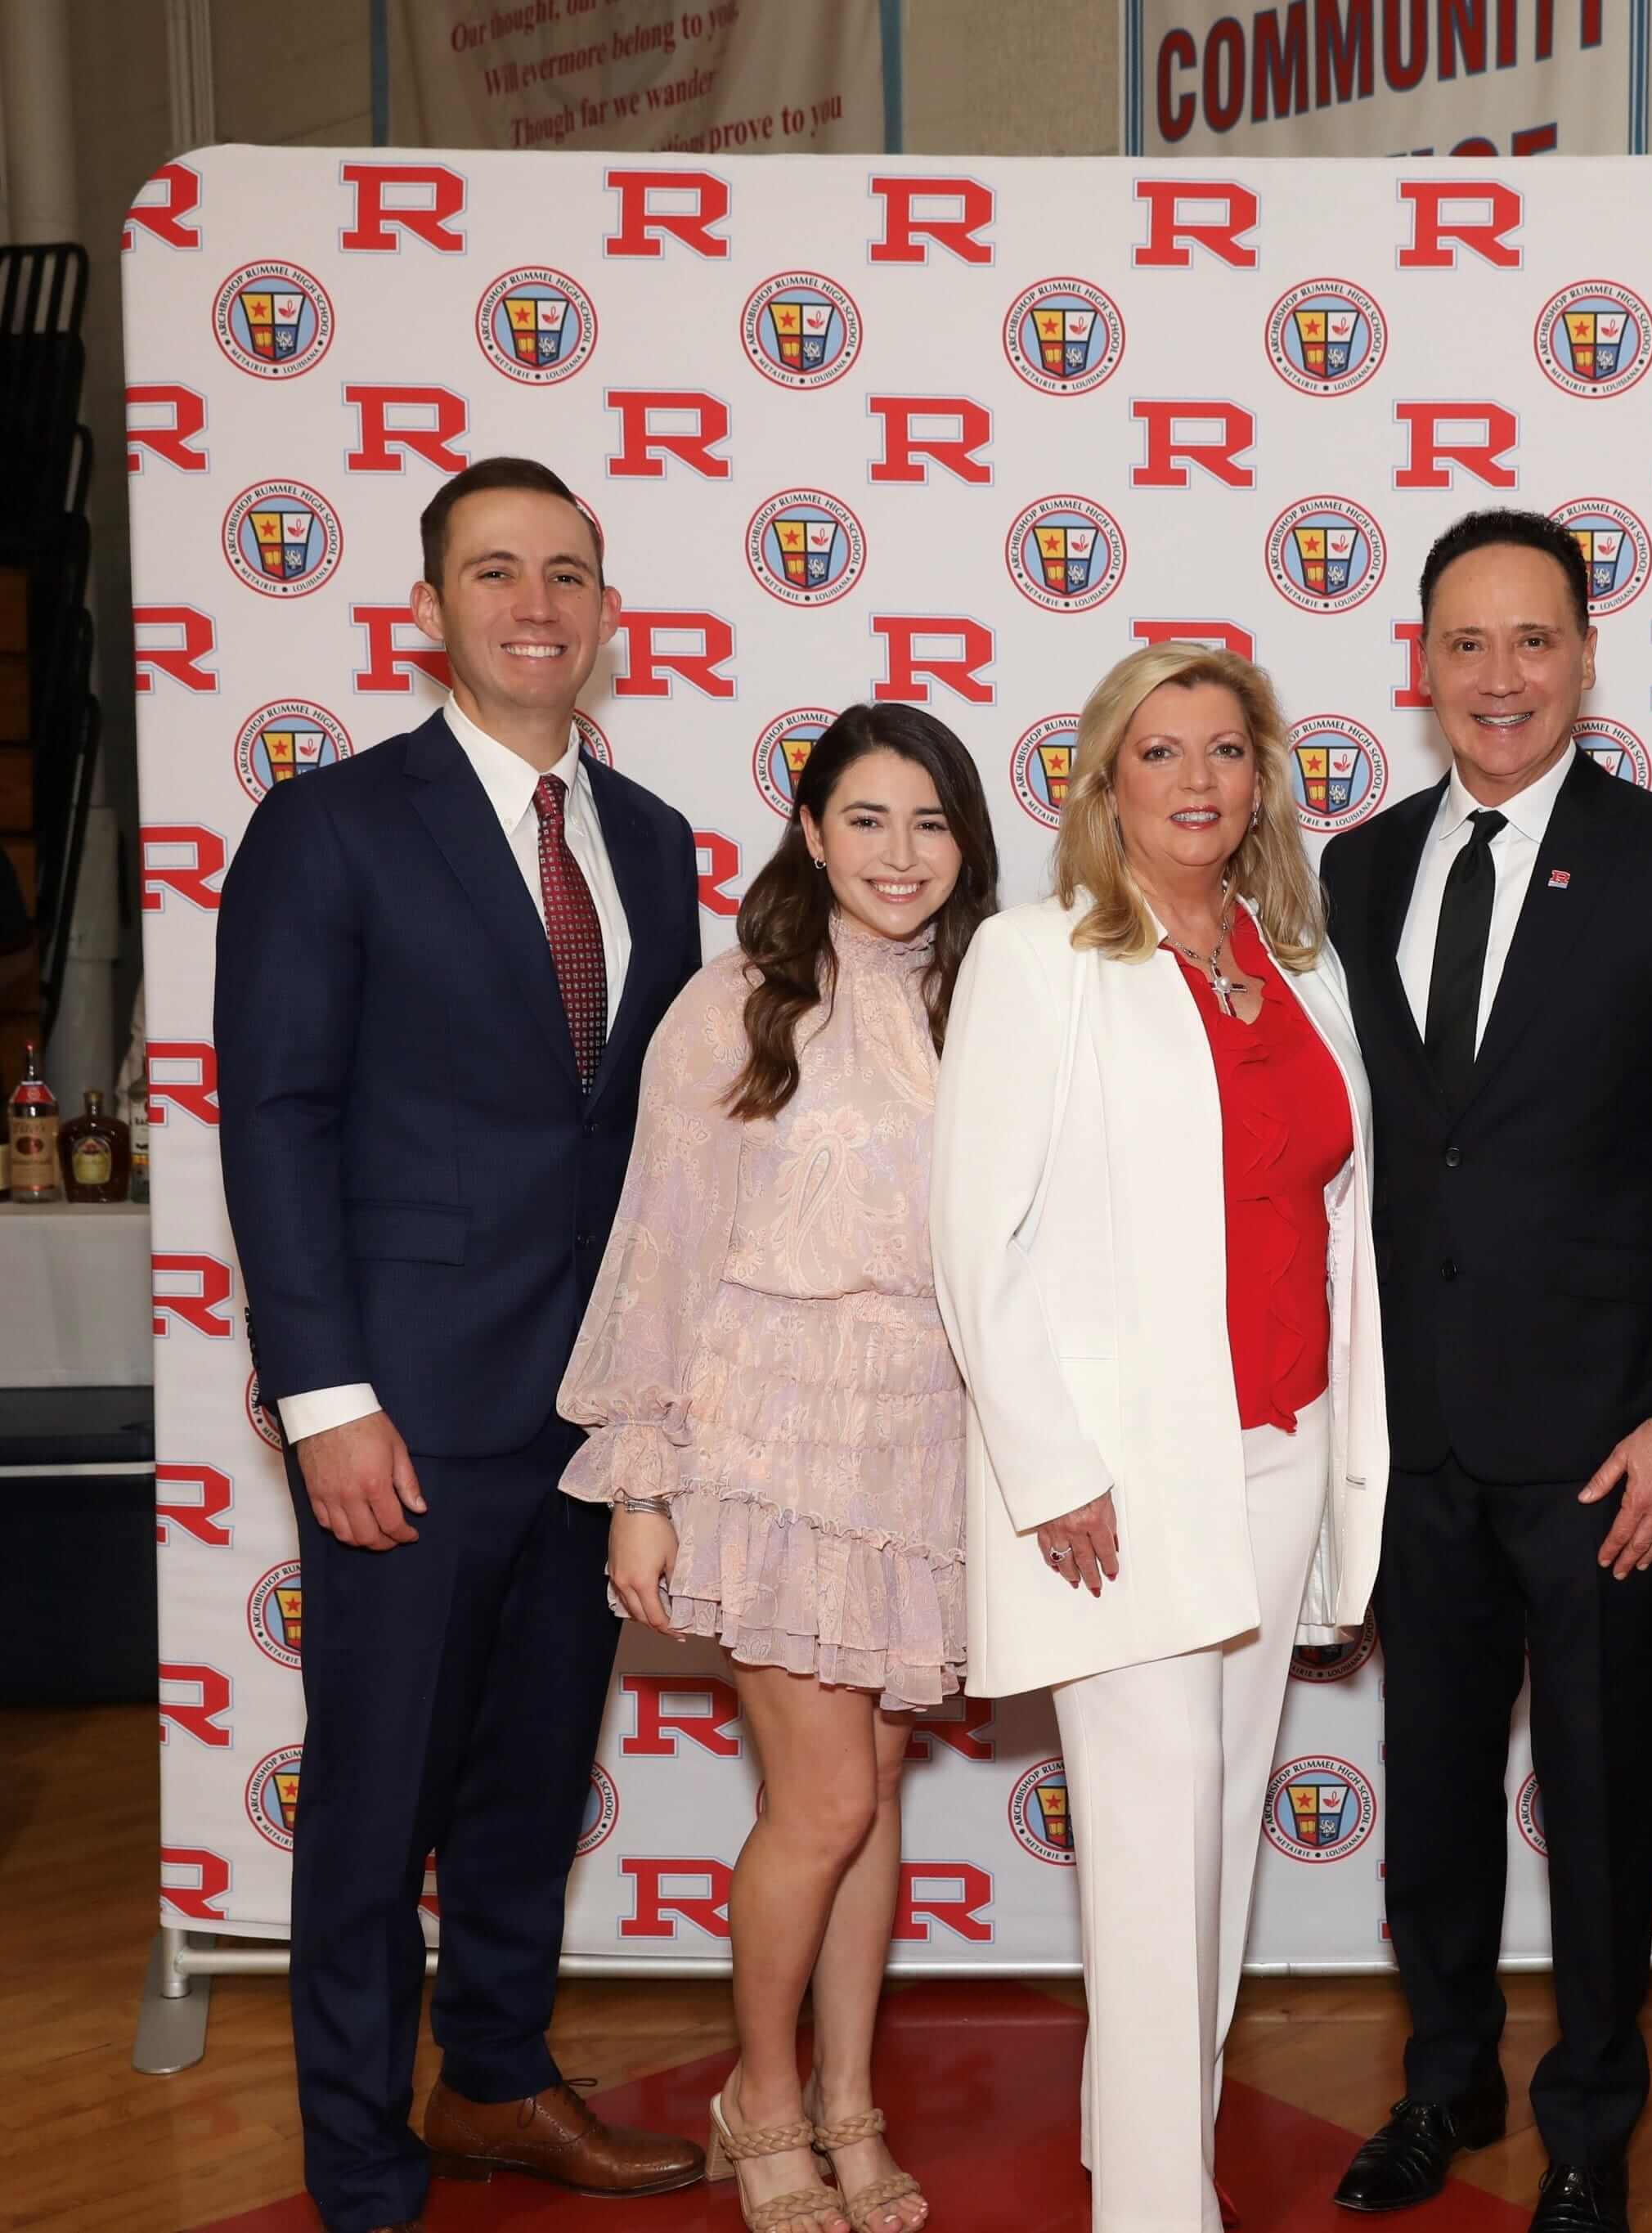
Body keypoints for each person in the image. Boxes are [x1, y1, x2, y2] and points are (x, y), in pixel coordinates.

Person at [213, 456, 707, 2233]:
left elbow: (661, 1142)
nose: (536, 603)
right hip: (404, 1414)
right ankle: (359, 2159)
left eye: (568, 572)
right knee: (374, 1805)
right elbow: (273, 1118)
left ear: (605, 611)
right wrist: (328, 1399)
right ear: (425, 610)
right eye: (495, 571)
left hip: (592, 1419)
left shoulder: (651, 840)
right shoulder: (329, 828)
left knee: (527, 1782)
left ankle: (496, 2077)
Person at [1320, 510, 1652, 2233]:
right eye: (1465, 644)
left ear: (1588, 659)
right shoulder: (1353, 873)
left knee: (1595, 1813)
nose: (1499, 677)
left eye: (1533, 641)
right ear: (1423, 667)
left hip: (1610, 1455)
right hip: (1414, 1442)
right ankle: (1445, 2084)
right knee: (1429, 1800)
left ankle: (1593, 2124)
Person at [931, 641, 1388, 2233]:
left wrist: (1341, 1477)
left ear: (1261, 779)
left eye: (1224, 751)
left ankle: (1147, 2158)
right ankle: (1153, 2213)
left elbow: (1333, 1228)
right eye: (1159, 750)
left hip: (1274, 1454)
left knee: (1210, 1854)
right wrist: (1054, 1471)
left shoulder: (1297, 961)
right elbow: (972, 1241)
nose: (1196, 780)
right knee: (1144, 1858)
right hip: (1118, 1488)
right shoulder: (1036, 955)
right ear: (1105, 779)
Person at [558, 703, 999, 2233]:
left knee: (871, 1787)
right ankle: (761, 2093)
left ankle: (847, 2100)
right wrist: (641, 1476)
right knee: (818, 1798)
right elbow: (660, 1249)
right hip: (769, 1433)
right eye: (866, 819)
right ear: (811, 833)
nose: (900, 853)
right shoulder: (734, 1002)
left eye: (931, 823)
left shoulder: (988, 1001)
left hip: (924, 1441)